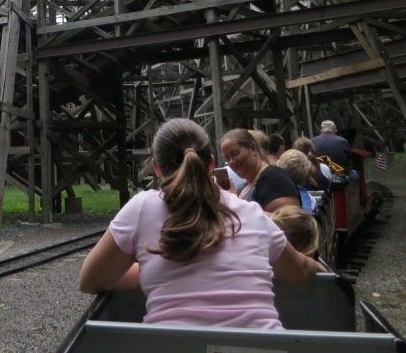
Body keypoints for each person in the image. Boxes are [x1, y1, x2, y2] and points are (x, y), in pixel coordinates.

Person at [79, 118, 325, 328]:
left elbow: (90, 281)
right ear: (211, 163)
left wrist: (154, 266)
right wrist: (320, 268)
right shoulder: (252, 213)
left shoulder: (142, 207)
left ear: (156, 167)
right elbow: (300, 273)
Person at [220, 128, 301, 213]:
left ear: (253, 148)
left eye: (236, 153)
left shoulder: (273, 177)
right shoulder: (241, 188)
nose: (232, 161)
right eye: (227, 158)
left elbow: (286, 220)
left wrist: (235, 203)